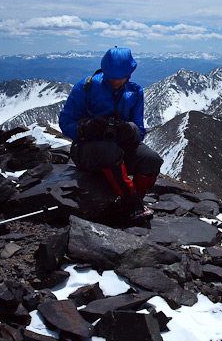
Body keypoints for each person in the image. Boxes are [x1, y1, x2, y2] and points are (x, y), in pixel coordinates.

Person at [59, 47, 163, 224]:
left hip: (120, 147)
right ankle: (132, 205)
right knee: (109, 151)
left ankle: (134, 198)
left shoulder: (135, 92)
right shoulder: (86, 87)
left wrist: (130, 130)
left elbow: (140, 130)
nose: (116, 81)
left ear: (130, 73)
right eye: (111, 76)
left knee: (151, 159)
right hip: (86, 149)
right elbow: (65, 122)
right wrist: (85, 128)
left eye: (121, 76)